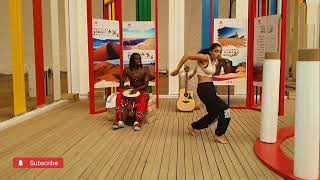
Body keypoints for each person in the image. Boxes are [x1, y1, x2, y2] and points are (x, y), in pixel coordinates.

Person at [170, 43, 231, 144]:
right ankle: (219, 135)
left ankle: (193, 126)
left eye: (220, 52)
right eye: (216, 51)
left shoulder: (213, 60)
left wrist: (192, 74)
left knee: (213, 114)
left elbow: (198, 67)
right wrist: (177, 69)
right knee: (226, 111)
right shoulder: (205, 57)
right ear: (210, 52)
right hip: (205, 89)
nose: (218, 54)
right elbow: (188, 55)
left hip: (210, 88)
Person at [112, 53, 150, 131]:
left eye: (139, 59)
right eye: (136, 59)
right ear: (132, 60)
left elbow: (146, 85)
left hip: (142, 90)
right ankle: (119, 119)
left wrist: (137, 89)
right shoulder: (127, 70)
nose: (139, 61)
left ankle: (138, 121)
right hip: (132, 89)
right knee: (119, 95)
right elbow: (121, 84)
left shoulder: (145, 69)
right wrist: (126, 87)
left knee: (143, 98)